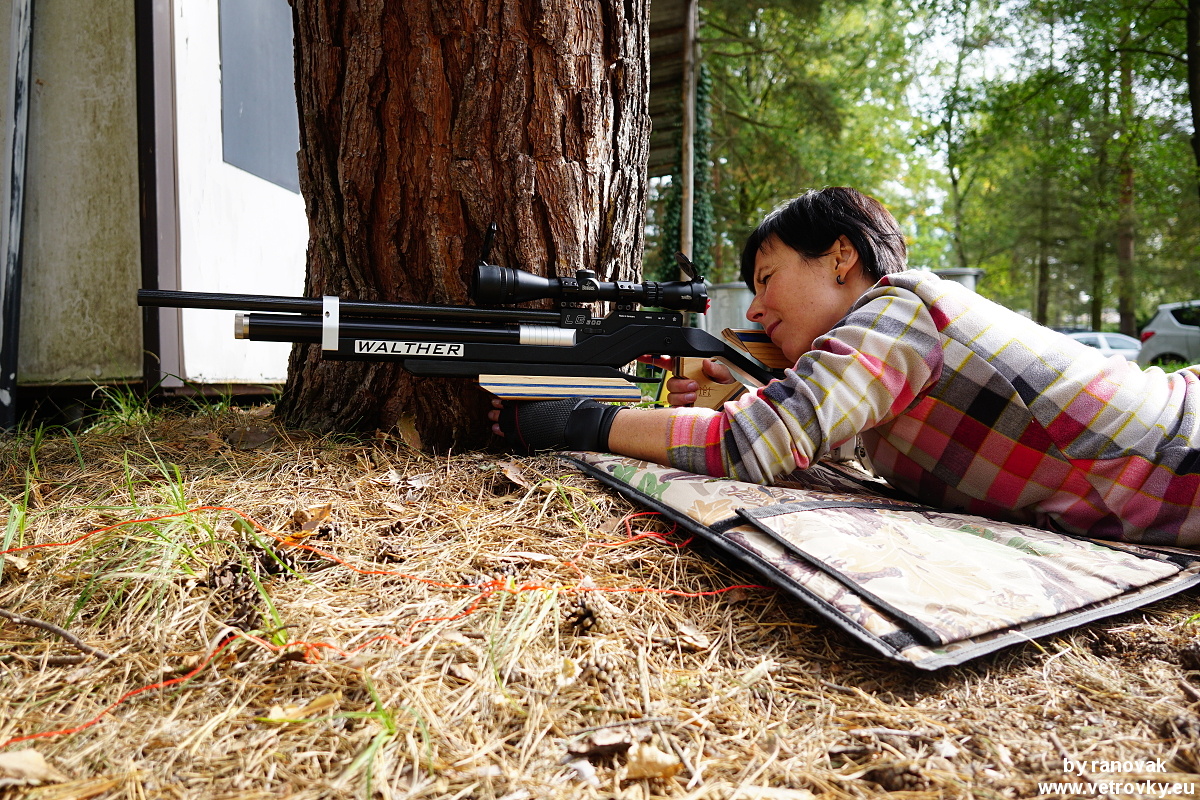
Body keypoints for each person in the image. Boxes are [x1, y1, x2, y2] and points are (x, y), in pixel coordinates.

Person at [489, 187, 1200, 547]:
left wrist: (577, 420)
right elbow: (802, 435)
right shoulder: (883, 353)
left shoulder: (902, 308)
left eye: (767, 278)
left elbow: (755, 444)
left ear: (840, 256)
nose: (755, 307)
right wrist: (735, 389)